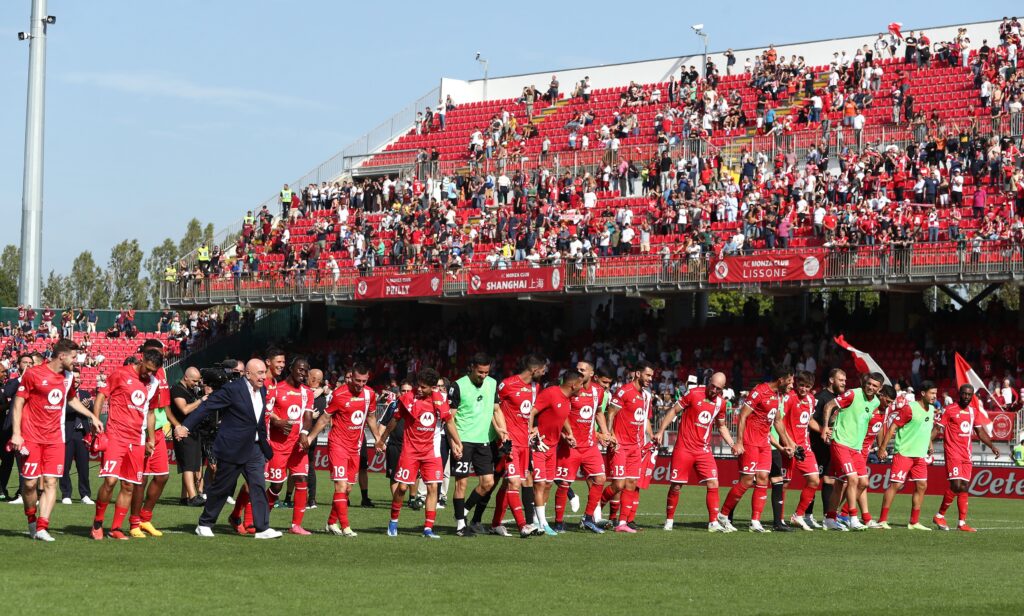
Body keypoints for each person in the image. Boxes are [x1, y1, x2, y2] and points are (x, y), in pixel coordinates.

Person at [175, 359, 281, 539]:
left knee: (257, 485)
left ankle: (262, 528)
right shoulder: (233, 389)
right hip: (233, 447)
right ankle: (205, 523)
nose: (264, 377)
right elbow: (207, 406)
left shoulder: (262, 390)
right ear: (248, 374)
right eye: (260, 373)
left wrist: (264, 445)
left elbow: (258, 420)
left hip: (254, 448)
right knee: (222, 488)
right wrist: (186, 427)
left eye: (264, 372)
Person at [9, 339, 102, 541]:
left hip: (55, 439)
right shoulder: (33, 374)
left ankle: (42, 526)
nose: (76, 361)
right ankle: (31, 520)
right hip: (32, 437)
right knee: (30, 485)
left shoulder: (68, 377)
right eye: (74, 357)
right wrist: (17, 433)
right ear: (62, 356)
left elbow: (71, 399)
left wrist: (92, 416)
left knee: (51, 482)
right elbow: (18, 402)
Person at [376, 368, 464, 539]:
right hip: (410, 451)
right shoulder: (408, 398)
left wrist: (458, 442)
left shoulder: (440, 400)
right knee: (401, 488)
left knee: (433, 487)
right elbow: (395, 419)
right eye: (419, 385)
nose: (420, 389)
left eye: (424, 387)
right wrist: (382, 439)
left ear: (433, 387)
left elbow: (449, 422)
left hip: (431, 452)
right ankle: (393, 522)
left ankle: (428, 528)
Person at [90, 349, 164, 540]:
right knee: (110, 481)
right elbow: (101, 396)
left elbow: (150, 412)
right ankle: (98, 522)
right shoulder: (121, 374)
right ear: (142, 360)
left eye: (153, 371)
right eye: (147, 369)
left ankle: (115, 528)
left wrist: (151, 439)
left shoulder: (154, 383)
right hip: (115, 436)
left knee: (129, 486)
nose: (149, 374)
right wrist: (96, 419)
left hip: (137, 440)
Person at [302, 364, 380, 537]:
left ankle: (331, 522)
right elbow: (324, 418)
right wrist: (310, 437)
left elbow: (371, 417)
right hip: (338, 444)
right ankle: (346, 527)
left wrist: (378, 439)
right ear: (351, 377)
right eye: (358, 380)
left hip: (356, 446)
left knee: (348, 489)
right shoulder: (339, 394)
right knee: (341, 485)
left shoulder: (370, 394)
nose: (360, 384)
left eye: (364, 381)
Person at [655, 371, 736, 533]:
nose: (714, 390)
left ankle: (713, 522)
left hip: (703, 450)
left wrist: (732, 444)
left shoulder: (721, 403)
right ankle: (669, 520)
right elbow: (673, 411)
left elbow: (721, 426)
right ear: (709, 382)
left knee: (713, 483)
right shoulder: (693, 393)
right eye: (713, 386)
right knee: (677, 486)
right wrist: (661, 431)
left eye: (718, 389)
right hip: (683, 448)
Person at [719, 367, 795, 533]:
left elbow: (778, 421)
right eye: (790, 381)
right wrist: (738, 442)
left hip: (764, 443)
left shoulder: (776, 396)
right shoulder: (759, 391)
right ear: (781, 380)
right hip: (750, 441)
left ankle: (755, 521)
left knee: (762, 478)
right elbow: (743, 416)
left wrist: (788, 443)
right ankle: (723, 514)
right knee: (747, 480)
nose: (792, 385)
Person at [446, 353, 504, 537]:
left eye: (486, 372)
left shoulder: (492, 383)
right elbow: (450, 418)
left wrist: (503, 430)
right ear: (471, 367)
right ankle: (461, 526)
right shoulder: (458, 386)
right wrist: (454, 442)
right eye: (480, 372)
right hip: (463, 441)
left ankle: (462, 512)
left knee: (488, 483)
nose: (483, 376)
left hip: (484, 441)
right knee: (461, 484)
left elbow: (496, 410)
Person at [489, 355, 546, 537]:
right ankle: (523, 526)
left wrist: (533, 428)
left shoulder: (536, 388)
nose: (544, 373)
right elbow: (493, 409)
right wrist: (500, 432)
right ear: (534, 370)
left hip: (525, 443)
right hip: (509, 442)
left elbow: (531, 413)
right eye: (543, 370)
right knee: (514, 482)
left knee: (508, 484)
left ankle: (496, 524)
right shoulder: (507, 384)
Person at [229, 348, 285, 534]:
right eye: (278, 362)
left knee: (257, 482)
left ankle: (239, 516)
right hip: (247, 438)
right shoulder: (258, 382)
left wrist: (277, 419)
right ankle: (244, 519)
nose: (281, 366)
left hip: (263, 438)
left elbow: (266, 410)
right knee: (249, 481)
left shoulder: (275, 383)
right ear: (268, 362)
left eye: (283, 362)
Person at [932, 384, 1002, 532]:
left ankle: (962, 523)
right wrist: (928, 442)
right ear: (960, 394)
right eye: (964, 394)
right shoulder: (949, 409)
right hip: (952, 452)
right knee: (957, 485)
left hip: (966, 454)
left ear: (972, 396)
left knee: (964, 487)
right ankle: (939, 515)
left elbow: (980, 432)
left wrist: (992, 446)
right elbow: (938, 428)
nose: (966, 397)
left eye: (969, 395)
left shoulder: (973, 411)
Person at [820, 372, 884, 531]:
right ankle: (852, 517)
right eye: (869, 383)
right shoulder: (852, 393)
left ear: (879, 388)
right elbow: (829, 406)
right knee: (852, 479)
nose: (870, 387)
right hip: (840, 443)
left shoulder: (876, 402)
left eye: (874, 385)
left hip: (855, 448)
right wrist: (826, 427)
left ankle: (830, 519)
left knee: (860, 483)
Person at [553, 360, 612, 534]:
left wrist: (605, 432)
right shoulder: (570, 390)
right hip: (571, 446)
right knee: (564, 484)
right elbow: (560, 414)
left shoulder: (598, 391)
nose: (578, 371)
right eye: (577, 369)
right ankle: (558, 522)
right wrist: (565, 435)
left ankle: (588, 518)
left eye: (582, 370)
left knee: (600, 479)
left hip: (589, 445)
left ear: (591, 374)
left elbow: (599, 412)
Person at [527, 369, 584, 535]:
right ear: (573, 384)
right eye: (581, 384)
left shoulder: (567, 399)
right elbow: (532, 411)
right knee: (539, 484)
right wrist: (531, 431)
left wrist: (568, 435)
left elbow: (562, 416)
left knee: (549, 484)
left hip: (553, 448)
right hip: (540, 446)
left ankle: (538, 520)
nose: (582, 387)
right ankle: (542, 523)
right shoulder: (551, 393)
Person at [876, 380, 938, 530]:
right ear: (923, 394)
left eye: (936, 393)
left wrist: (929, 446)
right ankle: (882, 520)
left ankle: (914, 522)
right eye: (932, 393)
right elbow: (892, 428)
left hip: (919, 455)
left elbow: (926, 429)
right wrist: (882, 448)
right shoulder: (909, 408)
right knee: (896, 485)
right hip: (904, 453)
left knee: (922, 485)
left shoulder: (931, 410)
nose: (934, 396)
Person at [264, 357, 314, 535]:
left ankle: (296, 525)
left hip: (297, 446)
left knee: (302, 480)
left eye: (306, 370)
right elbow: (265, 414)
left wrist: (304, 433)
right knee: (276, 487)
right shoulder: (276, 390)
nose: (303, 373)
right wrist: (275, 423)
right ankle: (263, 521)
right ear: (291, 369)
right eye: (300, 369)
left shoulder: (307, 392)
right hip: (278, 445)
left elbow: (308, 417)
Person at [128, 339, 173, 538]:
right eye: (152, 353)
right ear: (144, 354)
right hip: (139, 432)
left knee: (163, 476)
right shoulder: (135, 372)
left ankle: (146, 518)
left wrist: (174, 424)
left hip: (157, 431)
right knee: (141, 479)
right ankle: (134, 522)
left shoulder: (160, 372)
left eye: (159, 353)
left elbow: (160, 405)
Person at [605, 361, 657, 533]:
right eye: (648, 375)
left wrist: (651, 435)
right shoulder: (624, 391)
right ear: (637, 374)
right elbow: (610, 412)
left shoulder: (645, 395)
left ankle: (622, 523)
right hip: (620, 444)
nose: (650, 379)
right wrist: (610, 434)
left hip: (636, 446)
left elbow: (644, 419)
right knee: (618, 485)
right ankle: (594, 510)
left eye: (652, 376)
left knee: (632, 483)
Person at [807, 368, 846, 528]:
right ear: (831, 380)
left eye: (844, 380)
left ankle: (827, 518)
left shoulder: (840, 398)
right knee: (814, 480)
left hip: (833, 446)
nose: (844, 383)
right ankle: (807, 515)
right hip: (818, 445)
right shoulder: (821, 398)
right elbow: (809, 420)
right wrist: (823, 430)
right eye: (841, 380)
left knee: (830, 480)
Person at [784, 371, 822, 531]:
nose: (804, 389)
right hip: (789, 447)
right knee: (784, 484)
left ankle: (798, 515)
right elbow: (780, 422)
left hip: (805, 447)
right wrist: (789, 443)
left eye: (807, 386)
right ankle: (779, 519)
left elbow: (809, 420)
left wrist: (822, 430)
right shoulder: (789, 398)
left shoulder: (811, 399)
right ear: (796, 384)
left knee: (814, 480)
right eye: (801, 385)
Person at [168, 367, 207, 506]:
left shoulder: (189, 390)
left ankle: (184, 497)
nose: (196, 384)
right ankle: (192, 497)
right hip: (183, 432)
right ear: (186, 377)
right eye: (194, 381)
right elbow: (184, 409)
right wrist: (201, 400)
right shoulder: (177, 390)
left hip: (193, 432)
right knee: (188, 466)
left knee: (193, 464)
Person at [1, 353, 34, 502]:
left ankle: (23, 493)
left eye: (30, 362)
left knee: (25, 462)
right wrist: (22, 379)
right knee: (7, 462)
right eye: (25, 362)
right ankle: (2, 490)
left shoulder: (36, 383)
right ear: (19, 365)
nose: (28, 364)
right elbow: (7, 393)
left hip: (28, 428)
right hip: (10, 429)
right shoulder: (13, 382)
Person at [59, 369, 94, 505]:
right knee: (65, 466)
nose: (77, 380)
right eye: (75, 377)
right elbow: (64, 410)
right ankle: (66, 494)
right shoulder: (63, 392)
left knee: (83, 467)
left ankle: (85, 495)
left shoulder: (85, 394)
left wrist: (88, 406)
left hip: (82, 434)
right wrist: (79, 407)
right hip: (67, 433)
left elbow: (90, 410)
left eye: (79, 377)